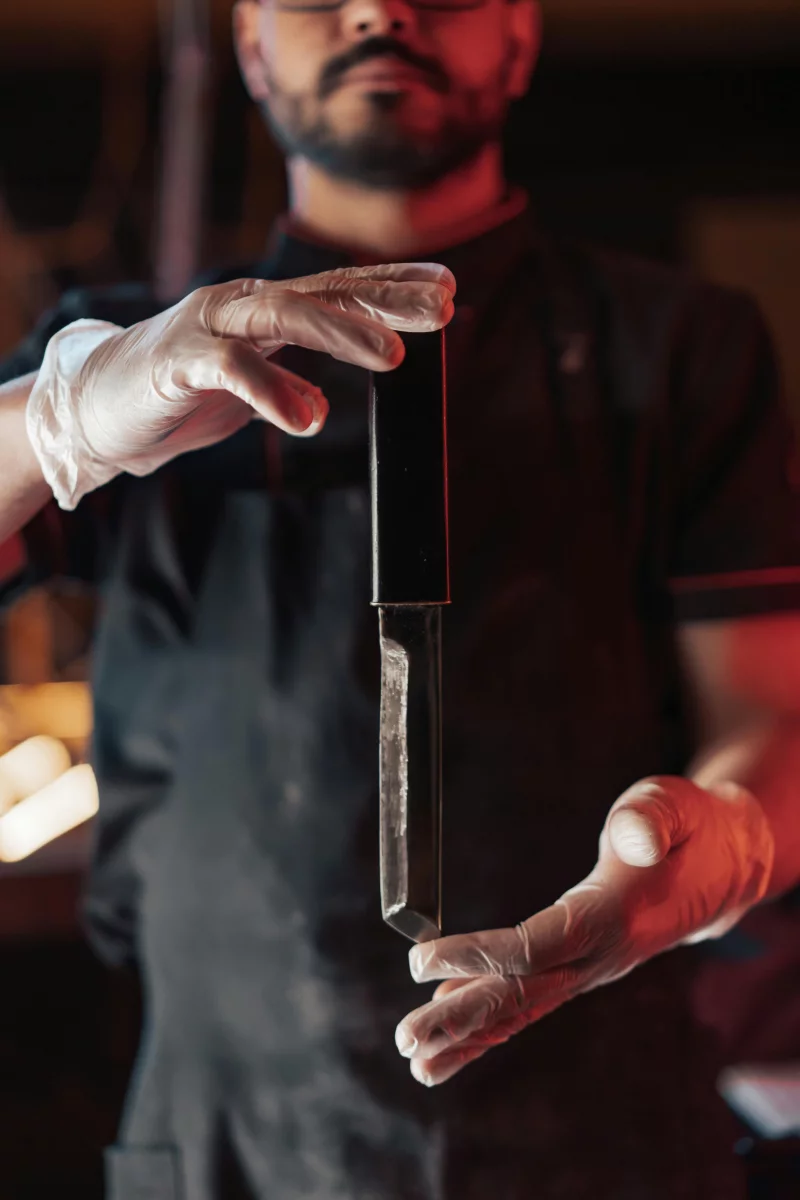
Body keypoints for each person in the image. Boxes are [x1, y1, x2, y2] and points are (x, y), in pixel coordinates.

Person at [2, 0, 800, 1195]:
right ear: (252, 50)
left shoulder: (679, 346)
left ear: (519, 38)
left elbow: (770, 719)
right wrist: (54, 419)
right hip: (223, 1135)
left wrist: (729, 841)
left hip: (607, 1132)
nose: (379, 9)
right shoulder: (135, 357)